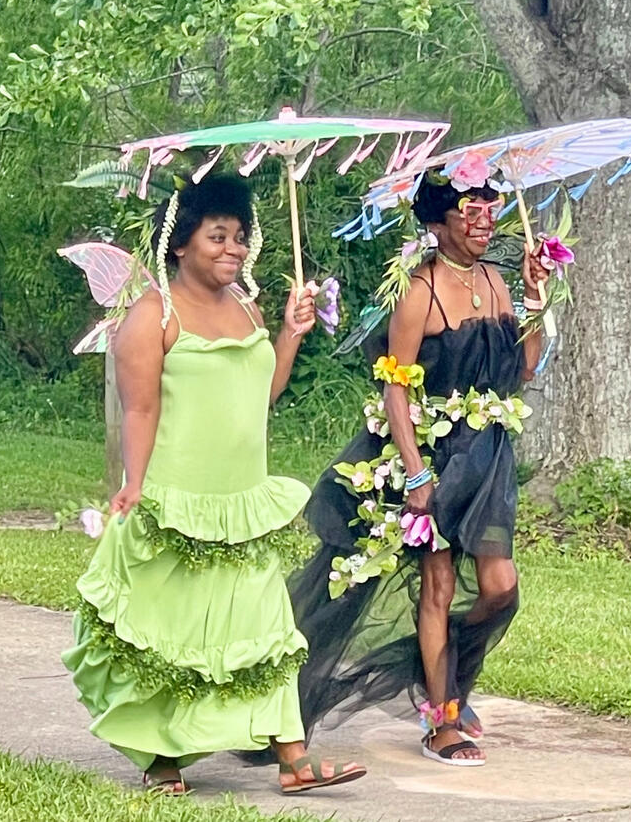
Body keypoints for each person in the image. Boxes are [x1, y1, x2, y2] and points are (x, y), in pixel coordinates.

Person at [62, 173, 366, 795]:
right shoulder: (153, 317)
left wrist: (288, 335)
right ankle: (162, 760)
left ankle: (294, 760)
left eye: (241, 238)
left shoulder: (247, 308)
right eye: (218, 236)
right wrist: (134, 484)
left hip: (242, 501)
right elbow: (140, 409)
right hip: (179, 499)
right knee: (168, 635)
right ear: (182, 245)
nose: (233, 249)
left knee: (265, 626)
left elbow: (261, 399)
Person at [289, 174, 548, 766]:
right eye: (470, 206)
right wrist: (413, 474)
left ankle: (440, 668)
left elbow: (524, 370)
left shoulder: (495, 280)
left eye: (491, 205)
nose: (485, 216)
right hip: (432, 457)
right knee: (438, 584)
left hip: (488, 459)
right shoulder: (419, 293)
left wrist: (535, 296)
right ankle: (441, 721)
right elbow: (394, 389)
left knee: (500, 588)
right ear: (437, 222)